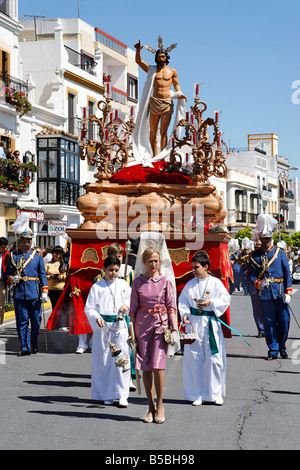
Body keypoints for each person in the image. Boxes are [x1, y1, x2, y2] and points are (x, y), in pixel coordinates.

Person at [129, 246, 178, 423]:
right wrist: (131, 334)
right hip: (142, 326)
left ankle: (160, 405)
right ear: (144, 262)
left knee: (158, 366)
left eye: (156, 261)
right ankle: (150, 407)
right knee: (146, 368)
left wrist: (174, 329)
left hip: (160, 324)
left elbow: (172, 307)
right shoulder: (138, 282)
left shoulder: (165, 282)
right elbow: (132, 311)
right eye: (150, 261)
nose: (153, 264)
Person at [178, 252, 231, 406]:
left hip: (210, 325)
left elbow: (225, 298)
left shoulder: (215, 283)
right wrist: (185, 315)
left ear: (206, 267)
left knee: (214, 360)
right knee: (195, 359)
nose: (193, 270)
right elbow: (183, 302)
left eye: (196, 267)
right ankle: (198, 393)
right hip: (194, 325)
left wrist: (211, 303)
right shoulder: (190, 284)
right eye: (192, 267)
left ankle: (215, 394)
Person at [84, 256, 132, 407]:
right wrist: (96, 317)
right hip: (103, 327)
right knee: (104, 361)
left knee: (121, 359)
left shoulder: (124, 284)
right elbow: (90, 308)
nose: (113, 273)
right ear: (103, 270)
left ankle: (122, 394)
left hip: (119, 326)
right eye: (110, 270)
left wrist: (126, 306)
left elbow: (132, 300)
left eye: (116, 270)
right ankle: (107, 394)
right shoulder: (97, 287)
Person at [133, 38, 187, 160]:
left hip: (167, 103)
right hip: (154, 103)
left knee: (163, 132)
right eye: (159, 57)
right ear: (156, 58)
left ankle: (162, 158)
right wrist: (137, 50)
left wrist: (179, 93)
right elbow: (139, 61)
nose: (161, 59)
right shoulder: (152, 70)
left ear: (166, 57)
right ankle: (154, 156)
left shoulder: (172, 71)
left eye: (163, 57)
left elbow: (176, 85)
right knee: (153, 132)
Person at [248, 214, 293, 360]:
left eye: (268, 239)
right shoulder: (255, 256)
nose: (266, 242)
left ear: (271, 238)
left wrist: (288, 291)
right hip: (265, 294)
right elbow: (251, 276)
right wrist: (258, 283)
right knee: (269, 323)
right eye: (263, 239)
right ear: (260, 239)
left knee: (284, 321)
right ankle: (273, 350)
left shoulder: (279, 253)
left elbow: (287, 273)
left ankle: (282, 346)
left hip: (280, 292)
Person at [5, 229, 48, 355]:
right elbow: (7, 274)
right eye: (27, 239)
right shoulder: (13, 256)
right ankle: (25, 347)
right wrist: (13, 278)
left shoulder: (37, 255)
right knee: (22, 322)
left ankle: (33, 343)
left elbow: (42, 275)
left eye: (30, 239)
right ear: (21, 240)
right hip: (19, 293)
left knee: (35, 320)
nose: (29, 241)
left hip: (34, 293)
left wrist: (44, 290)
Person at [45, 246, 66, 310]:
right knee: (54, 309)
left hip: (62, 290)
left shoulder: (65, 265)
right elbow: (43, 276)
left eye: (57, 253)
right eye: (53, 252)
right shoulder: (48, 264)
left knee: (62, 309)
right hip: (51, 291)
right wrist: (49, 277)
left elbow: (69, 275)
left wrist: (62, 277)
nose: (54, 254)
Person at [0, 237, 9, 328]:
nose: (4, 249)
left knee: (1, 304)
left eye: (5, 247)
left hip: (2, 281)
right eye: (2, 247)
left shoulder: (7, 255)